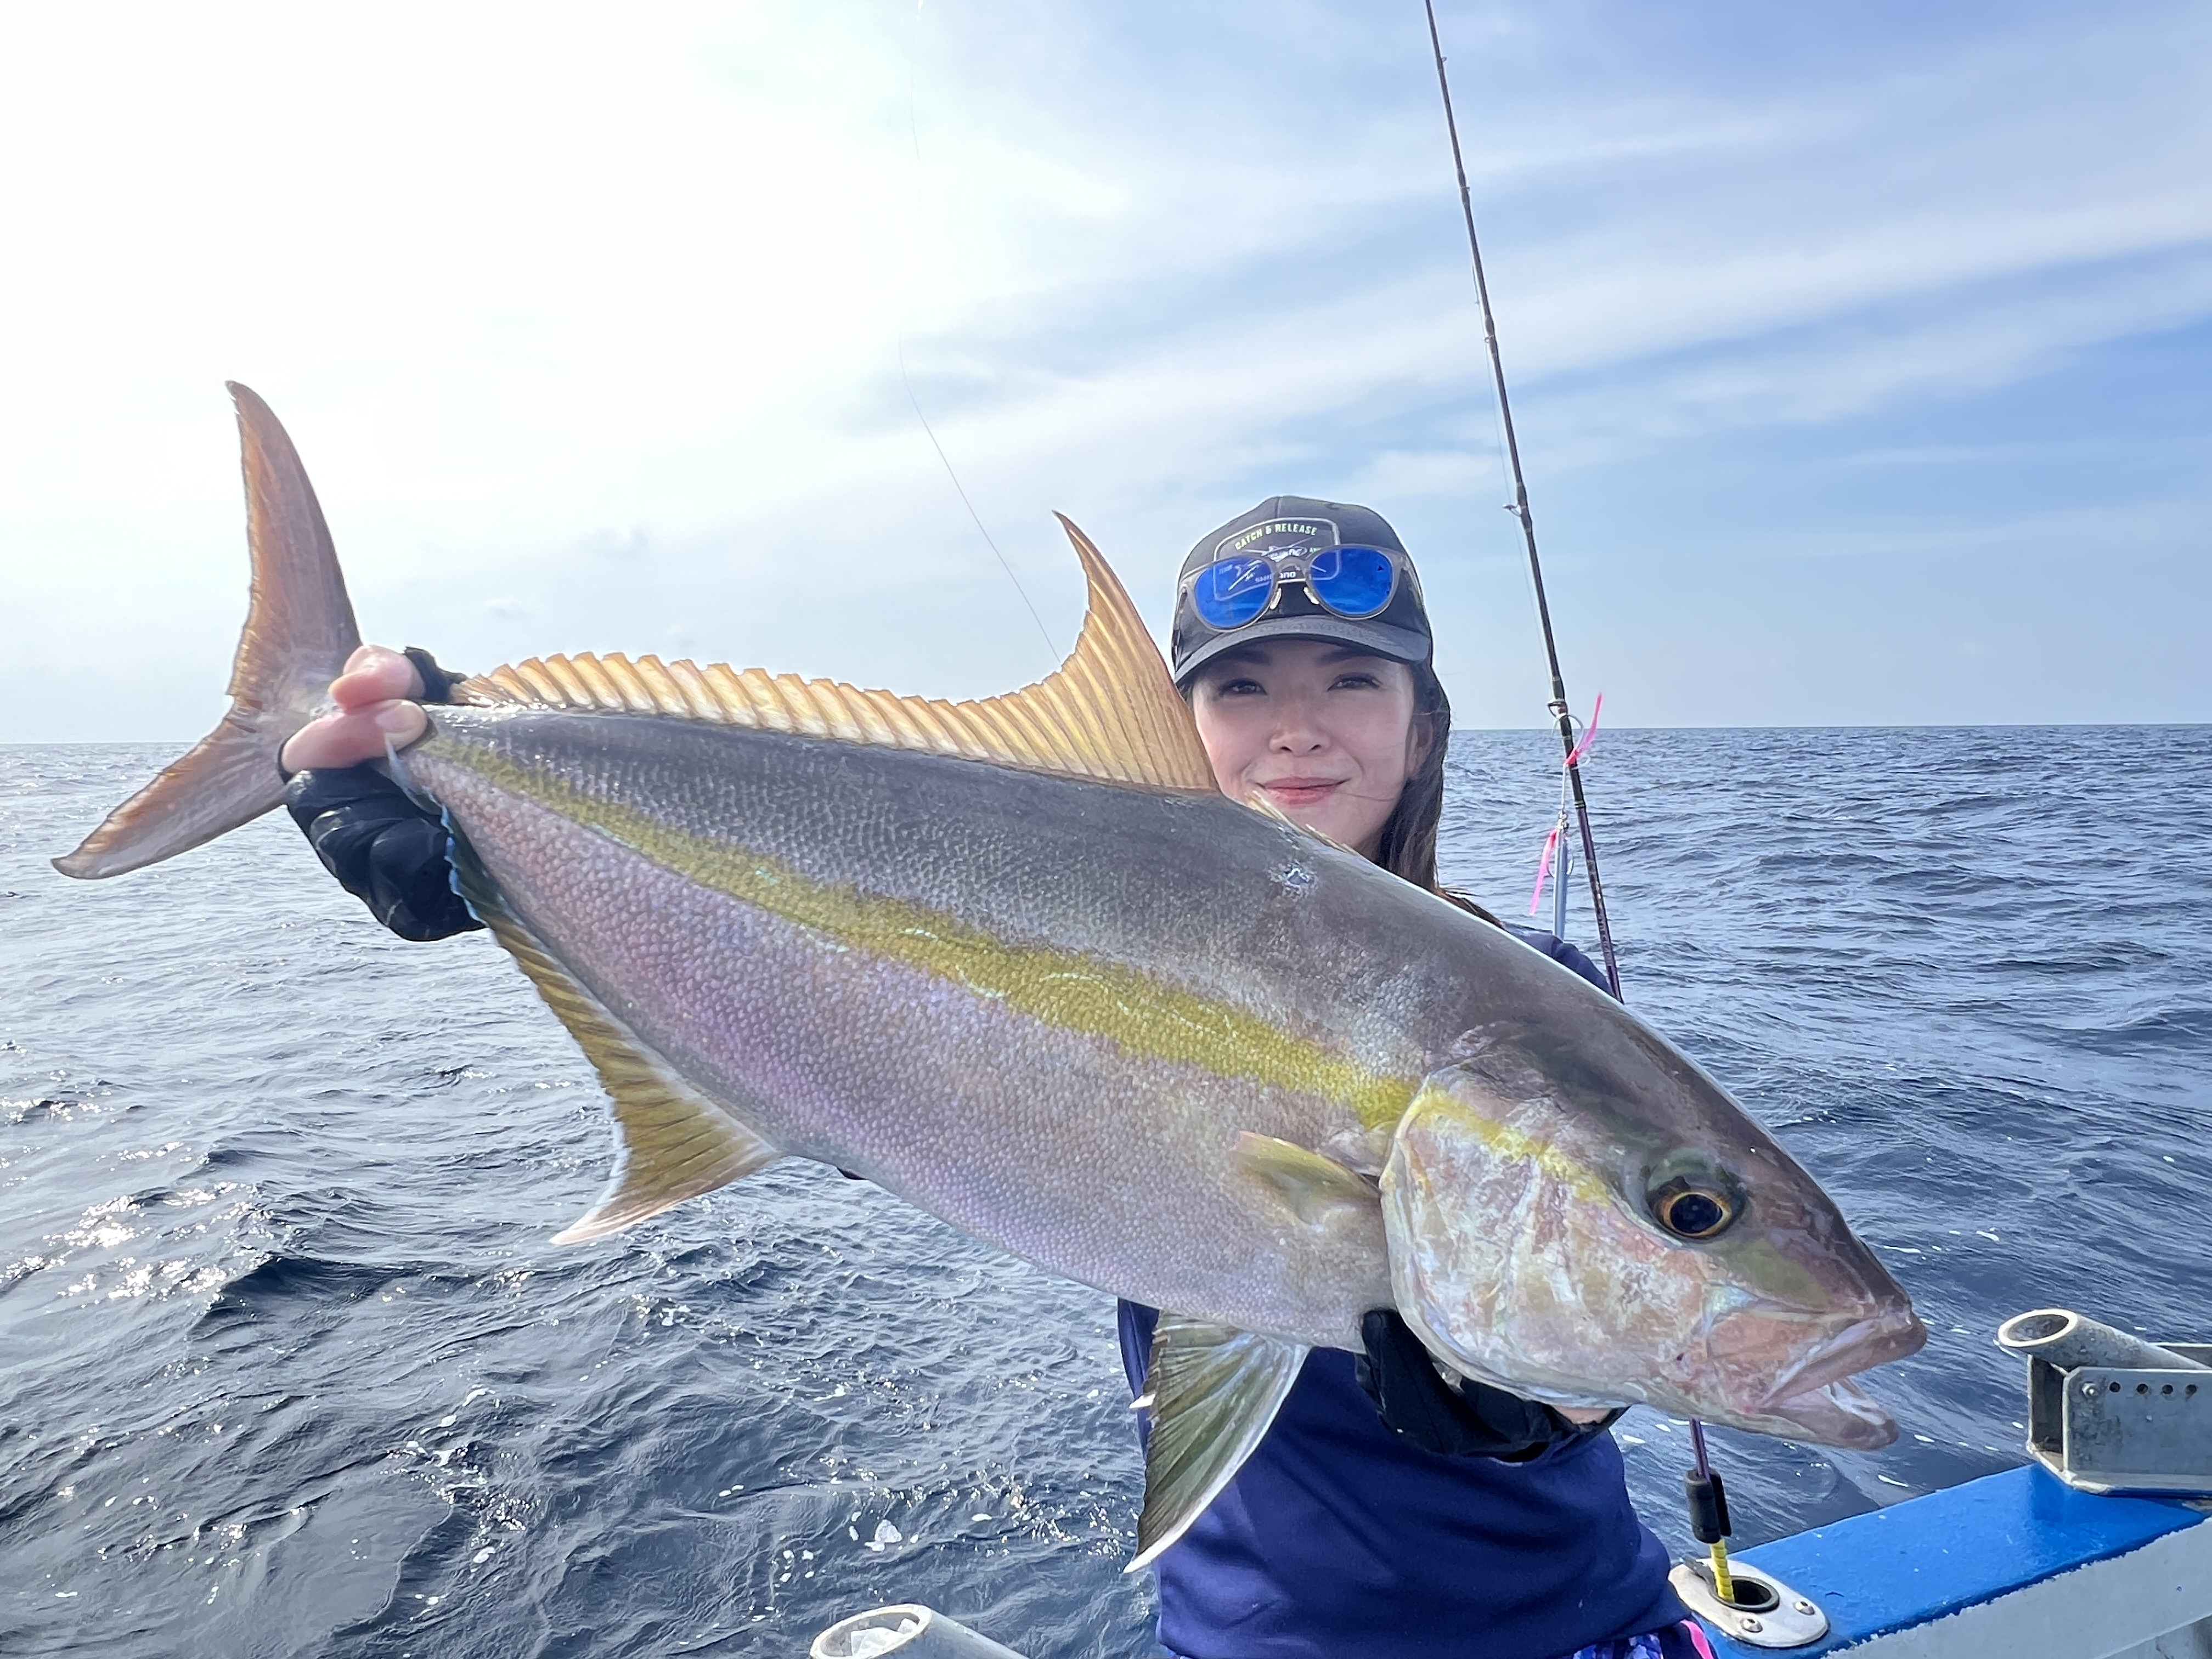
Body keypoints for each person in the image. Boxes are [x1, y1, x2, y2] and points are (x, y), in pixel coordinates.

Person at [277, 496, 1705, 1659]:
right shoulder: (1050, 943)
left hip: (1576, 1625)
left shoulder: (1536, 1002)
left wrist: (1535, 1416)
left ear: (1424, 723)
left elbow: (1639, 1299)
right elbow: (876, 1042)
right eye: (1242, 687)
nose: (1297, 725)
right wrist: (484, 833)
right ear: (1181, 728)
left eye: (1352, 679)